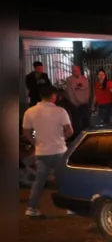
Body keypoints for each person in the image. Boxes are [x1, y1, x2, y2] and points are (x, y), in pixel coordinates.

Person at [22, 86, 74, 218]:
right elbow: (70, 131)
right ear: (53, 96)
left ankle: (32, 207)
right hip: (59, 150)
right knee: (63, 179)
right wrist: (63, 138)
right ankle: (69, 207)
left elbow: (26, 131)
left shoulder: (30, 112)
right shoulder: (60, 111)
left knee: (39, 181)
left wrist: (34, 143)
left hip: (41, 151)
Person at [65, 65, 90, 137]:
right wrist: (73, 102)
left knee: (85, 120)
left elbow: (87, 90)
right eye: (74, 70)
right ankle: (76, 137)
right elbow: (69, 91)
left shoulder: (84, 79)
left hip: (84, 103)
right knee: (76, 122)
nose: (75, 72)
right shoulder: (70, 79)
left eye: (76, 70)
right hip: (75, 103)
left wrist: (86, 100)